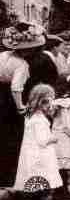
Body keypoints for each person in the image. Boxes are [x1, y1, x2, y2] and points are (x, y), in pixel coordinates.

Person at [0, 22, 46, 187]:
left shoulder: (3, 55)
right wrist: (21, 107)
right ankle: (8, 176)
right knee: (13, 138)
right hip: (9, 102)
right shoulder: (22, 64)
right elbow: (16, 88)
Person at [14, 84, 62, 200]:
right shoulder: (39, 120)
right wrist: (54, 138)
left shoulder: (30, 116)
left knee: (37, 181)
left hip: (31, 154)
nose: (49, 106)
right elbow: (42, 140)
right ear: (42, 102)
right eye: (48, 103)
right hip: (39, 156)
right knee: (40, 181)